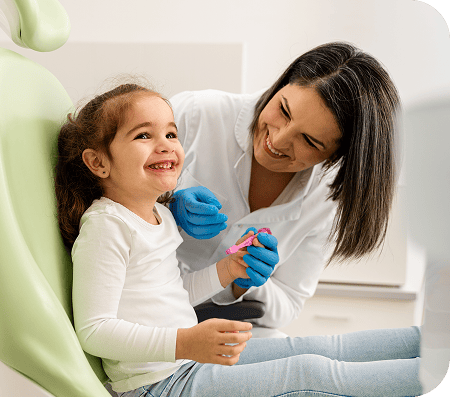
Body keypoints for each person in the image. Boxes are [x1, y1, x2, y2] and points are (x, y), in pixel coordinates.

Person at [54, 82, 422, 396]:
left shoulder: (157, 217)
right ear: (98, 162)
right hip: (158, 384)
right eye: (144, 135)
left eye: (171, 134)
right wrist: (185, 341)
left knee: (317, 348)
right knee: (310, 372)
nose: (166, 145)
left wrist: (229, 271)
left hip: (184, 360)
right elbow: (95, 331)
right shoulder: (106, 227)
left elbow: (174, 294)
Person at [169, 41, 401, 335]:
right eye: (284, 110)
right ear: (283, 83)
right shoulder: (196, 114)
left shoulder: (324, 198)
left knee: (314, 363)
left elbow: (288, 303)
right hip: (142, 302)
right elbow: (98, 194)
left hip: (221, 321)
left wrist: (245, 279)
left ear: (335, 156)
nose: (278, 141)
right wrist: (162, 206)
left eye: (310, 141)